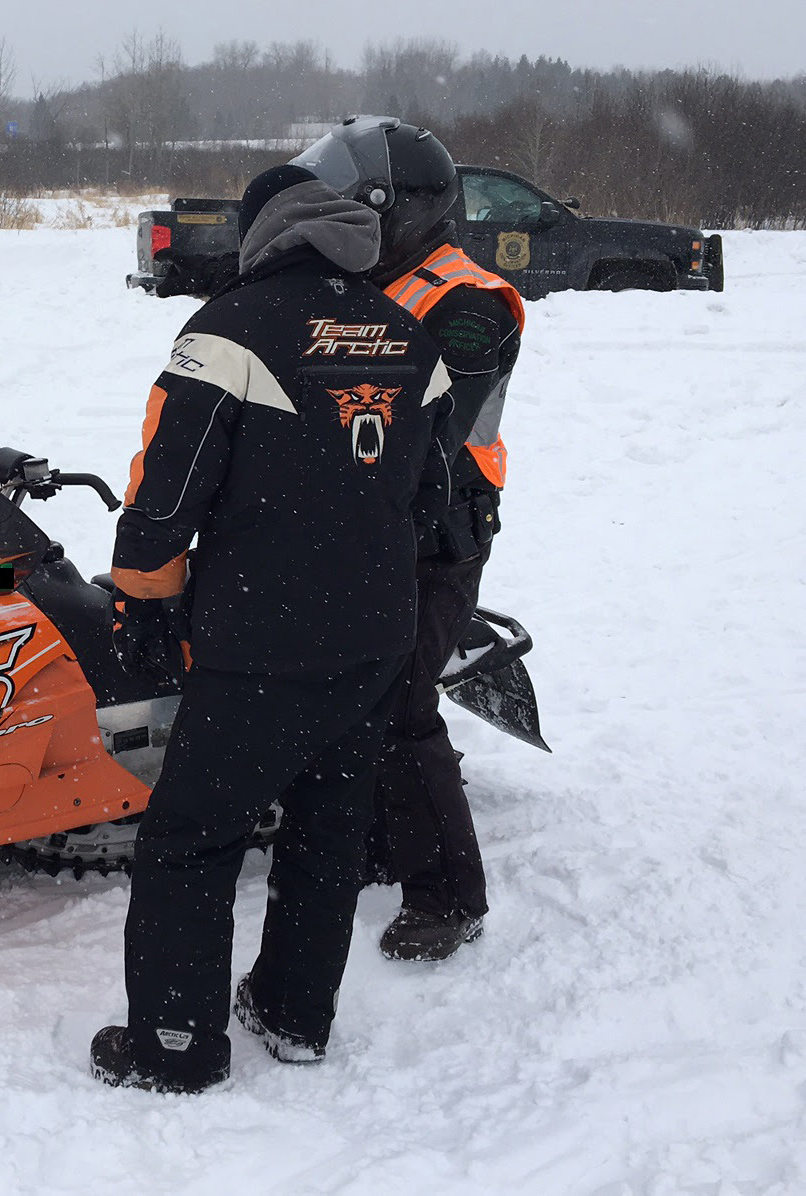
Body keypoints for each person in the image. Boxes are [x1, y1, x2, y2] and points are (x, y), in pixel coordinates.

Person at [90, 164, 455, 1094]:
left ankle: (176, 1048)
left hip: (260, 643)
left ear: (263, 234)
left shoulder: (227, 333)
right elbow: (436, 496)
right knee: (327, 834)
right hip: (375, 635)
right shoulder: (411, 334)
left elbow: (164, 496)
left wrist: (139, 601)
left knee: (191, 840)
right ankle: (296, 1018)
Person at [293, 117, 526, 962]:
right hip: (367, 526)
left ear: (399, 211)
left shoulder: (465, 303)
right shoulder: (374, 283)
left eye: (350, 212)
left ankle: (448, 895)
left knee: (397, 703)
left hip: (438, 534)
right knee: (344, 693)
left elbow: (425, 435)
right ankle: (378, 845)